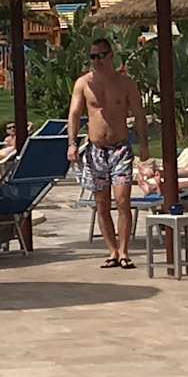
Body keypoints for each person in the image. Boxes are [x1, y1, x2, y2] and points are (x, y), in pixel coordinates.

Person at [67, 38, 141, 269]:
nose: (96, 61)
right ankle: (112, 251)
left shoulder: (126, 83)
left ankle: (125, 251)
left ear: (111, 56)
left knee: (122, 200)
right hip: (96, 151)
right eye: (93, 56)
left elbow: (139, 114)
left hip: (120, 149)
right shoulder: (83, 84)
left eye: (101, 55)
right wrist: (72, 143)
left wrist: (144, 144)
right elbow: (74, 114)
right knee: (102, 203)